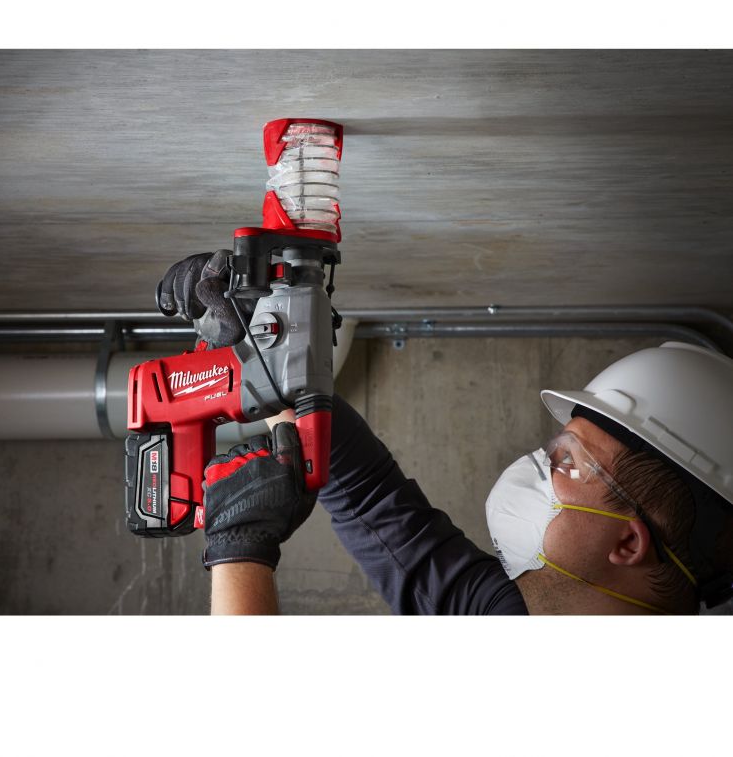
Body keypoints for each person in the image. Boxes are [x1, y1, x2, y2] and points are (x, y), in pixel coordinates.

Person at [159, 252, 733, 615]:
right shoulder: (506, 613)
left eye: (569, 463)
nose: (536, 465)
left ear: (628, 543)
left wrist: (239, 550)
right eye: (554, 448)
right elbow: (370, 500)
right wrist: (263, 350)